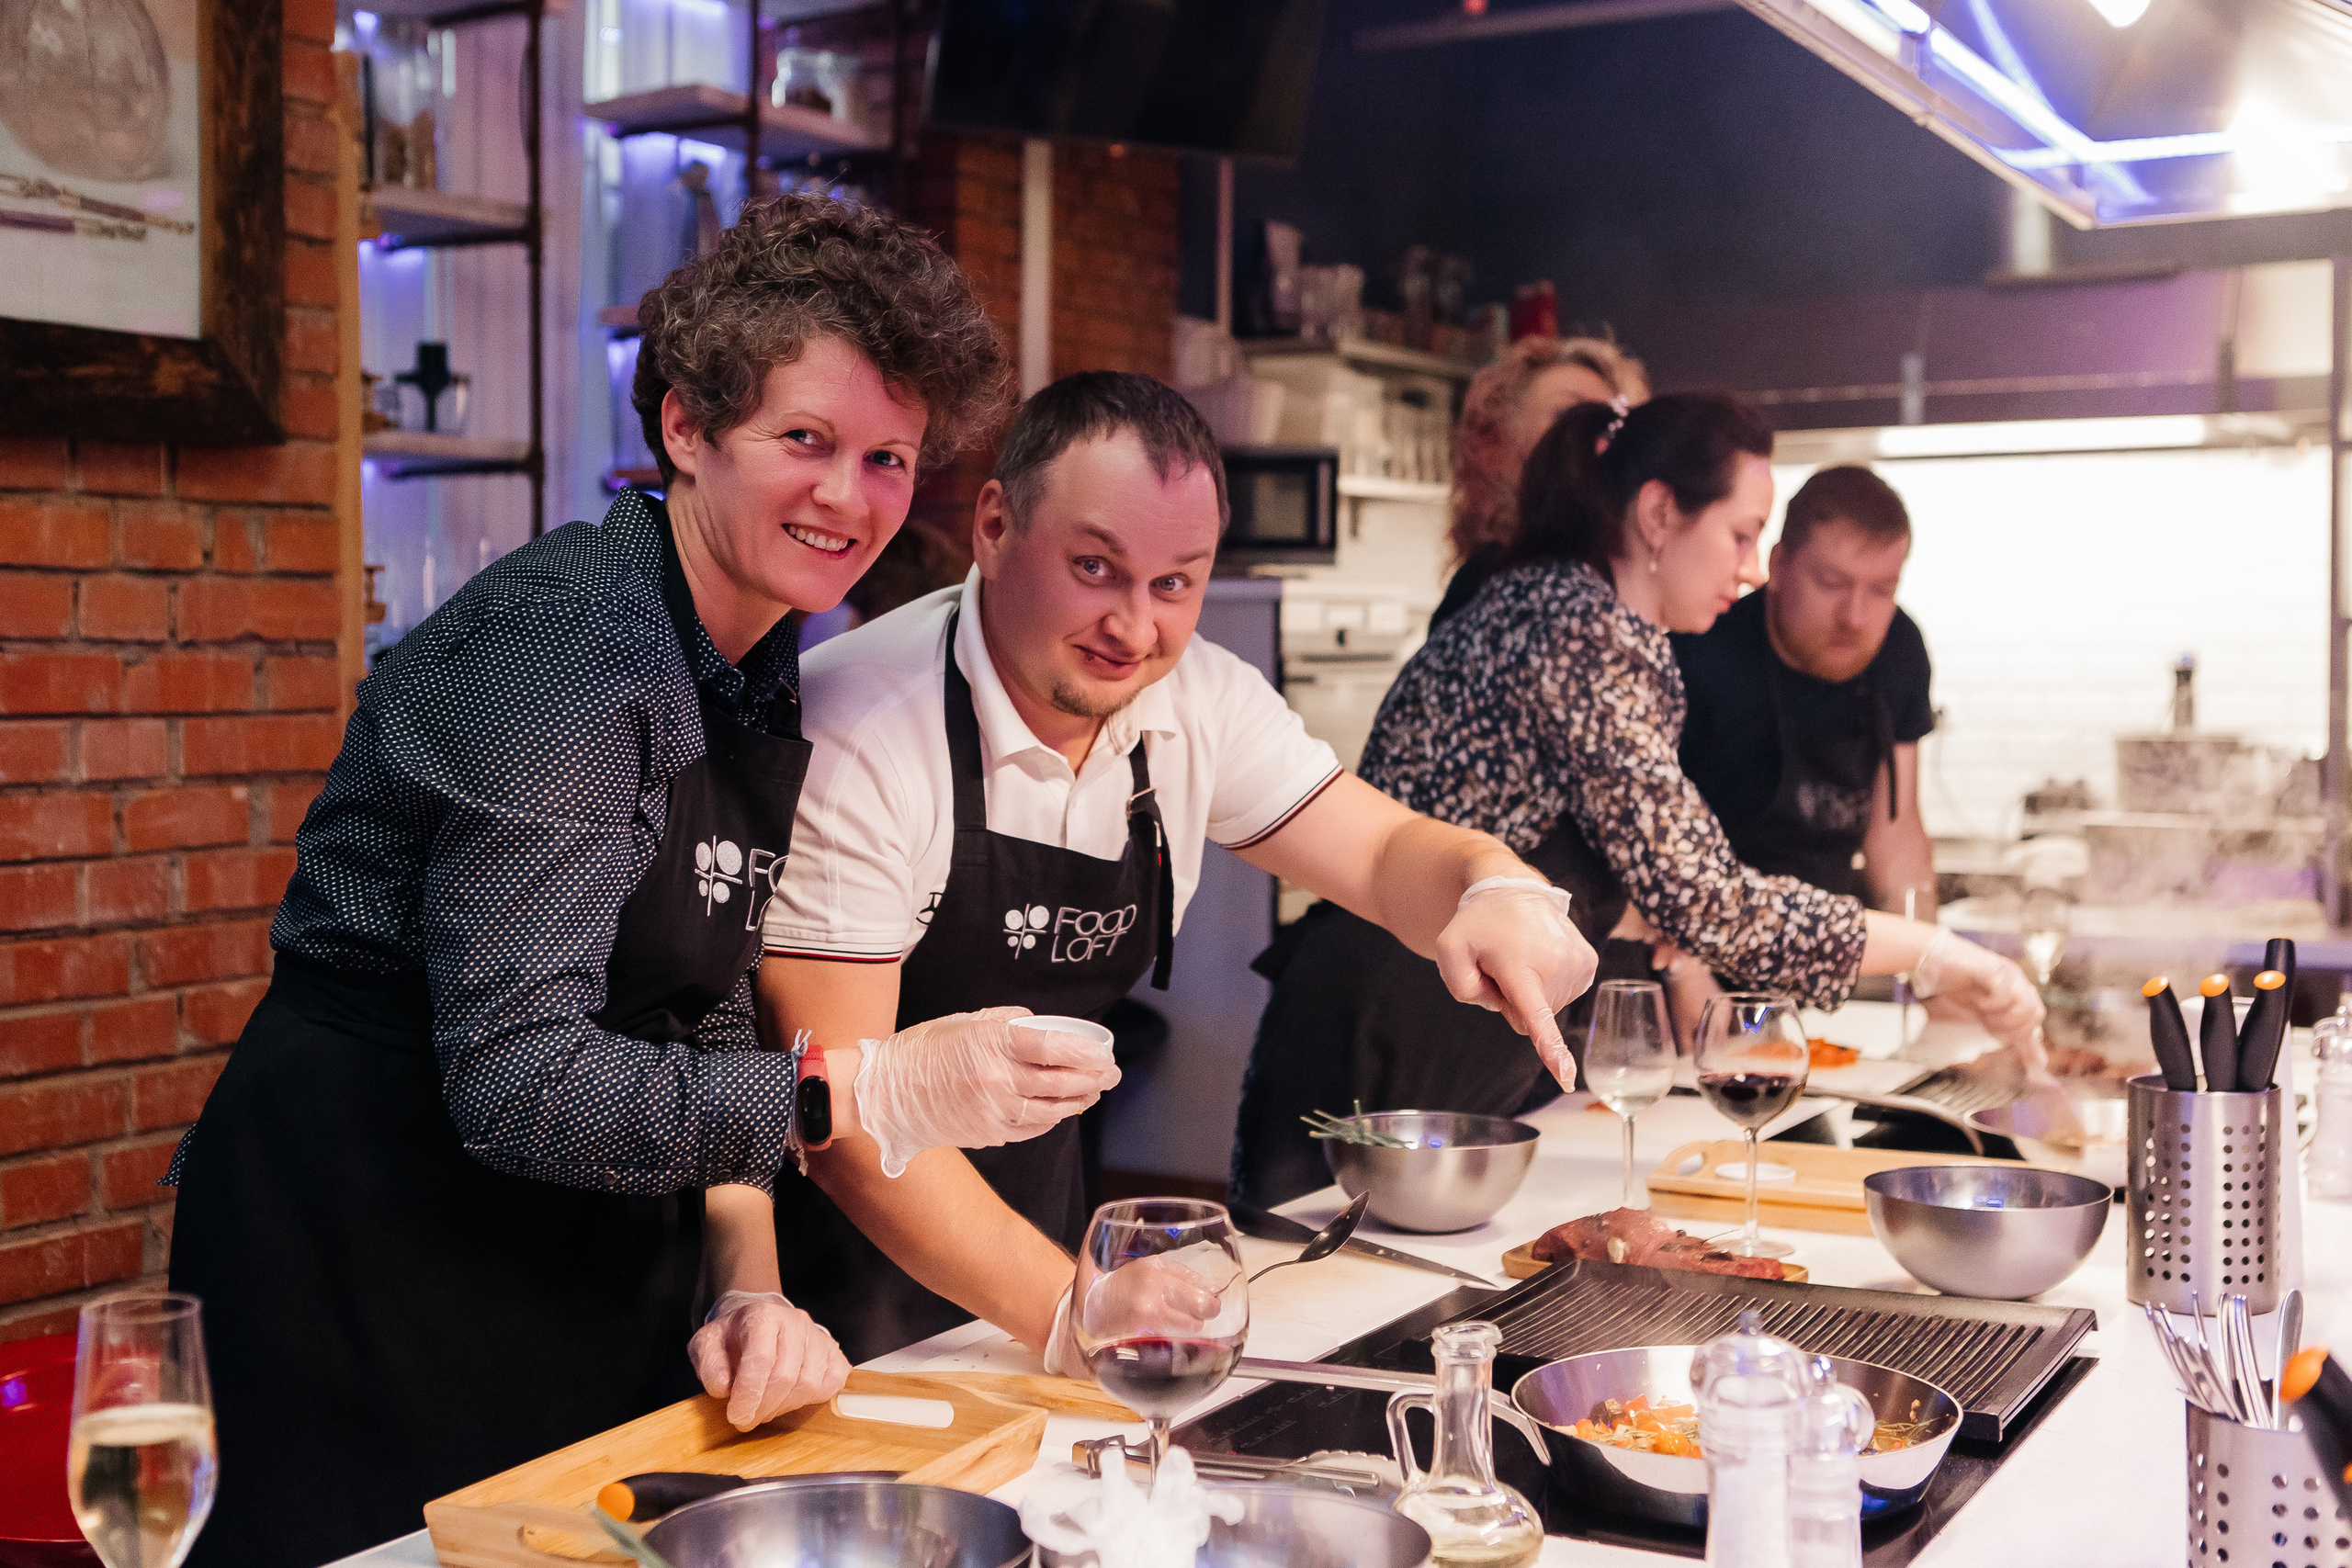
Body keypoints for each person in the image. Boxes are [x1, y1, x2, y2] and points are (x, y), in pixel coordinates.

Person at [164, 197, 1119, 1568]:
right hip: (366, 1243)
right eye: (805, 440)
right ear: (685, 425)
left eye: (888, 458)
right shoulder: (567, 654)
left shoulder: (750, 647)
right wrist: (866, 1091)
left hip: (564, 1247)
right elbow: (518, 1078)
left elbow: (701, 1000)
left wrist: (747, 1288)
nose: (849, 497)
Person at [750, 372, 1600, 1360]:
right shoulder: (862, 726)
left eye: (1174, 584)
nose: (1135, 628)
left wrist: (1490, 882)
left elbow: (1377, 851)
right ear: (994, 526)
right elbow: (844, 1118)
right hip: (831, 1304)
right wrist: (1067, 1310)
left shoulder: (1195, 698)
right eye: (1094, 568)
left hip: (1036, 1243)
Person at [1232, 394, 2041, 1207]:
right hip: (1395, 1024)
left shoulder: (1590, 617)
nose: (1752, 569)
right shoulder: (1578, 633)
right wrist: (1938, 952)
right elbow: (1714, 904)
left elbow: (1641, 877)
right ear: (1659, 514)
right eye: (1741, 535)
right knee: (1323, 1272)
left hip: (1454, 1015)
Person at [1672, 464, 1935, 910]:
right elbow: (1659, 854)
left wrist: (1924, 946)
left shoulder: (1900, 650)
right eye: (1832, 584)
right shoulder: (1701, 654)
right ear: (1779, 565)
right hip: (1704, 924)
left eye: (1881, 589)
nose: (1854, 617)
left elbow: (1895, 833)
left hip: (1828, 929)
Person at [1430, 334, 1649, 630]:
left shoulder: (1614, 579)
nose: (1593, 436)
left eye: (1609, 423)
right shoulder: (1488, 583)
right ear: (1500, 442)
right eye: (1565, 415)